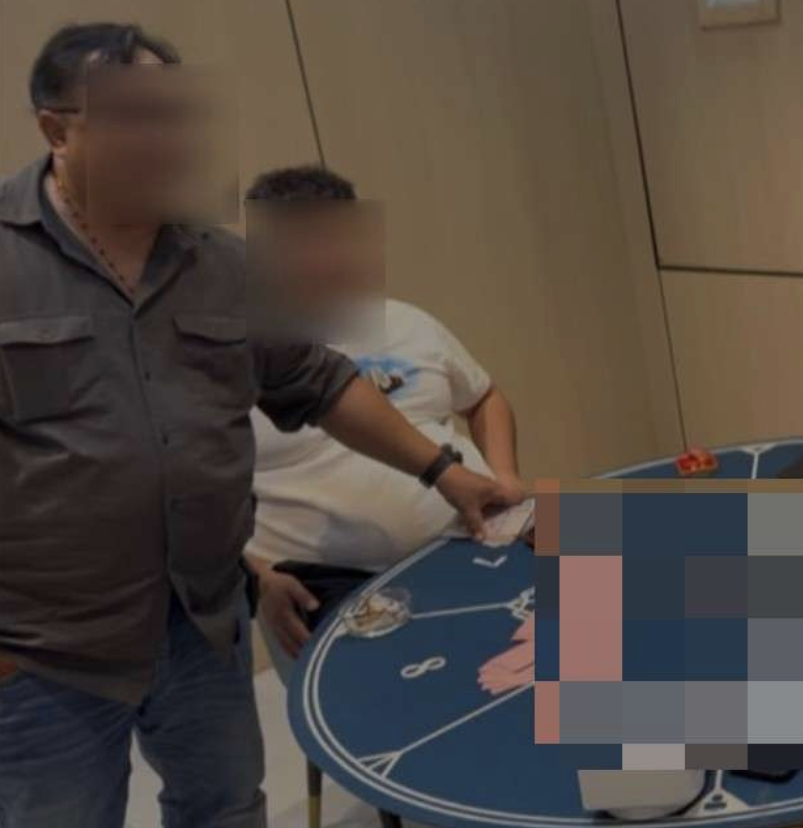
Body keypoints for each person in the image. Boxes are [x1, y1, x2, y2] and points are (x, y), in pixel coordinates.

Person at [0, 23, 517, 828]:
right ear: (57, 129)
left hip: (202, 621)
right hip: (45, 650)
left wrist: (444, 471)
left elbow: (318, 383)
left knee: (226, 809)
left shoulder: (220, 263)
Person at [241, 165, 526, 665]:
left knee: (603, 621)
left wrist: (505, 476)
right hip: (333, 587)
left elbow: (484, 397)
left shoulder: (408, 321)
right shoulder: (229, 358)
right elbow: (191, 503)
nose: (324, 259)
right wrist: (258, 579)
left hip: (472, 538)